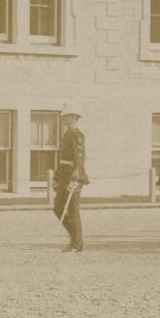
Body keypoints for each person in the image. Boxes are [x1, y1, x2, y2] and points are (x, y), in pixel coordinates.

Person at [53, 103, 88, 253]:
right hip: (64, 175)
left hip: (74, 176)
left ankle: (76, 244)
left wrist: (75, 177)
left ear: (74, 117)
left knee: (73, 210)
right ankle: (74, 238)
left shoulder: (77, 135)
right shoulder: (67, 134)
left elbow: (79, 158)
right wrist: (57, 177)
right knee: (58, 208)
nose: (64, 118)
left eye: (66, 116)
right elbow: (63, 159)